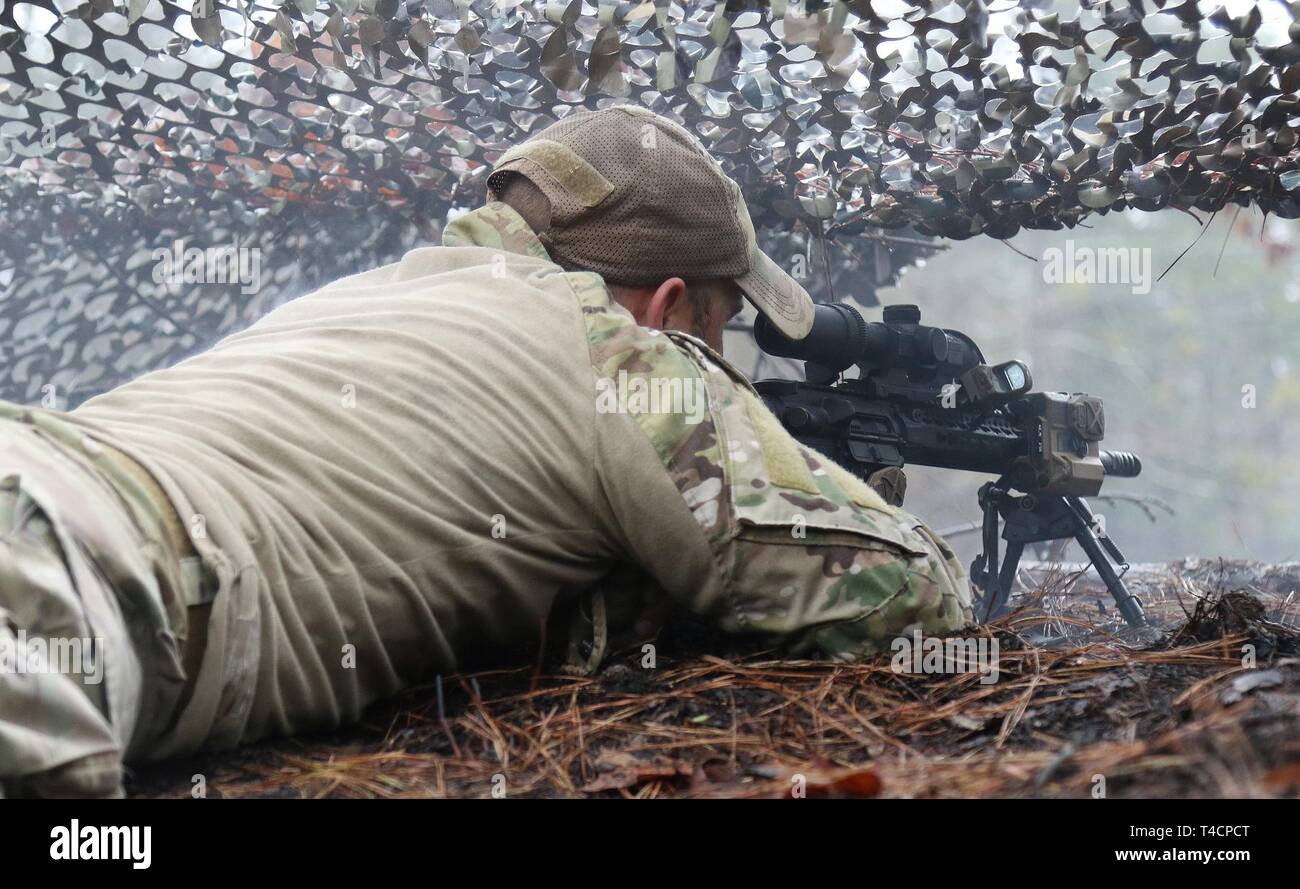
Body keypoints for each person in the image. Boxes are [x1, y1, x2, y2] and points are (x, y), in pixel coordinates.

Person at [0, 105, 971, 797]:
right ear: (670, 309)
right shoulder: (618, 354)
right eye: (721, 330)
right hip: (54, 581)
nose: (718, 364)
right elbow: (906, 599)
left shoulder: (368, 298)